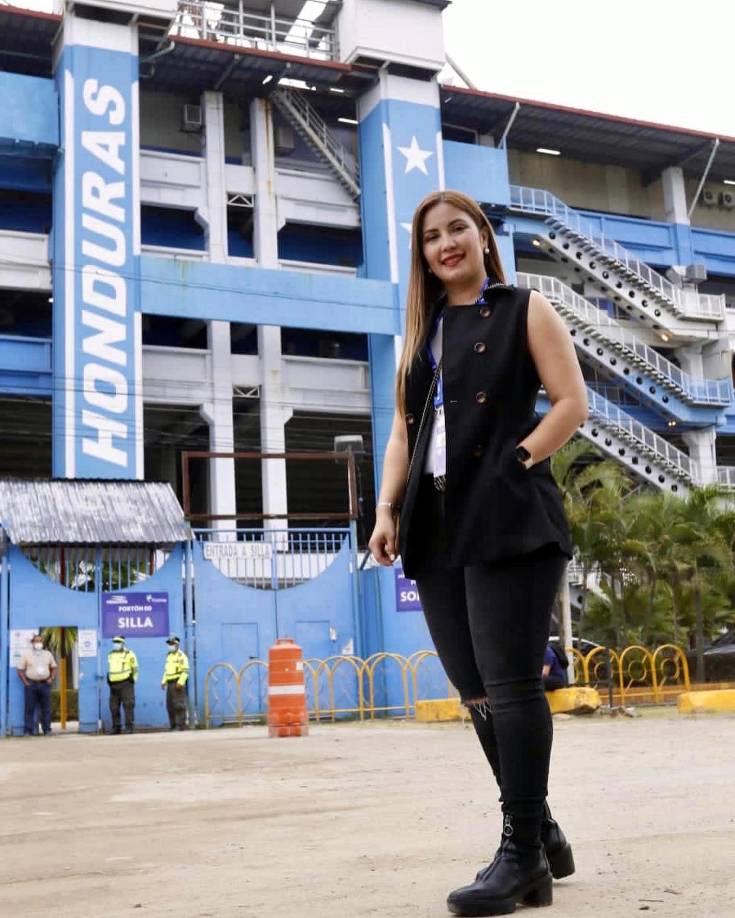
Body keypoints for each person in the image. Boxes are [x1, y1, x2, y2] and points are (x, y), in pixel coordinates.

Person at [369, 190, 588, 916]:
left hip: (508, 516)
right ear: (422, 255)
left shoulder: (525, 307)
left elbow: (569, 402)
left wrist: (514, 461)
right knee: (474, 689)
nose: (445, 243)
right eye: (431, 236)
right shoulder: (420, 332)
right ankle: (542, 827)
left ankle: (521, 857)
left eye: (456, 228)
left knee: (511, 684)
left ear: (482, 235)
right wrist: (386, 508)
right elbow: (404, 432)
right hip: (435, 524)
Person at [17, 634, 57, 736]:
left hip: (45, 685)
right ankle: (28, 730)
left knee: (46, 708)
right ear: (32, 643)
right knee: (29, 708)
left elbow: (54, 667)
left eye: (40, 641)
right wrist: (26, 682)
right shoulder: (26, 655)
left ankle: (47, 729)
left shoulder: (48, 654)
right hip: (31, 684)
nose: (38, 643)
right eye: (36, 641)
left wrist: (51, 678)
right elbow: (20, 670)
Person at [107, 635, 139, 734]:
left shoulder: (129, 654)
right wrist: (109, 678)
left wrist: (133, 679)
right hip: (113, 685)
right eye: (114, 642)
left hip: (126, 684)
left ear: (123, 643)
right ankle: (116, 727)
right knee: (113, 707)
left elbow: (135, 669)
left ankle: (129, 727)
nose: (116, 644)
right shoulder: (110, 654)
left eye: (118, 642)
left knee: (128, 705)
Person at [161, 635, 189, 730]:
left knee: (179, 705)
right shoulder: (169, 656)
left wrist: (180, 682)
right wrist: (163, 681)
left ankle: (180, 725)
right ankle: (173, 725)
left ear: (177, 645)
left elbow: (185, 671)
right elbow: (166, 671)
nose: (170, 645)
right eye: (169, 644)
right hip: (170, 683)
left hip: (177, 684)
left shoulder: (181, 656)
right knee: (170, 706)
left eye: (172, 644)